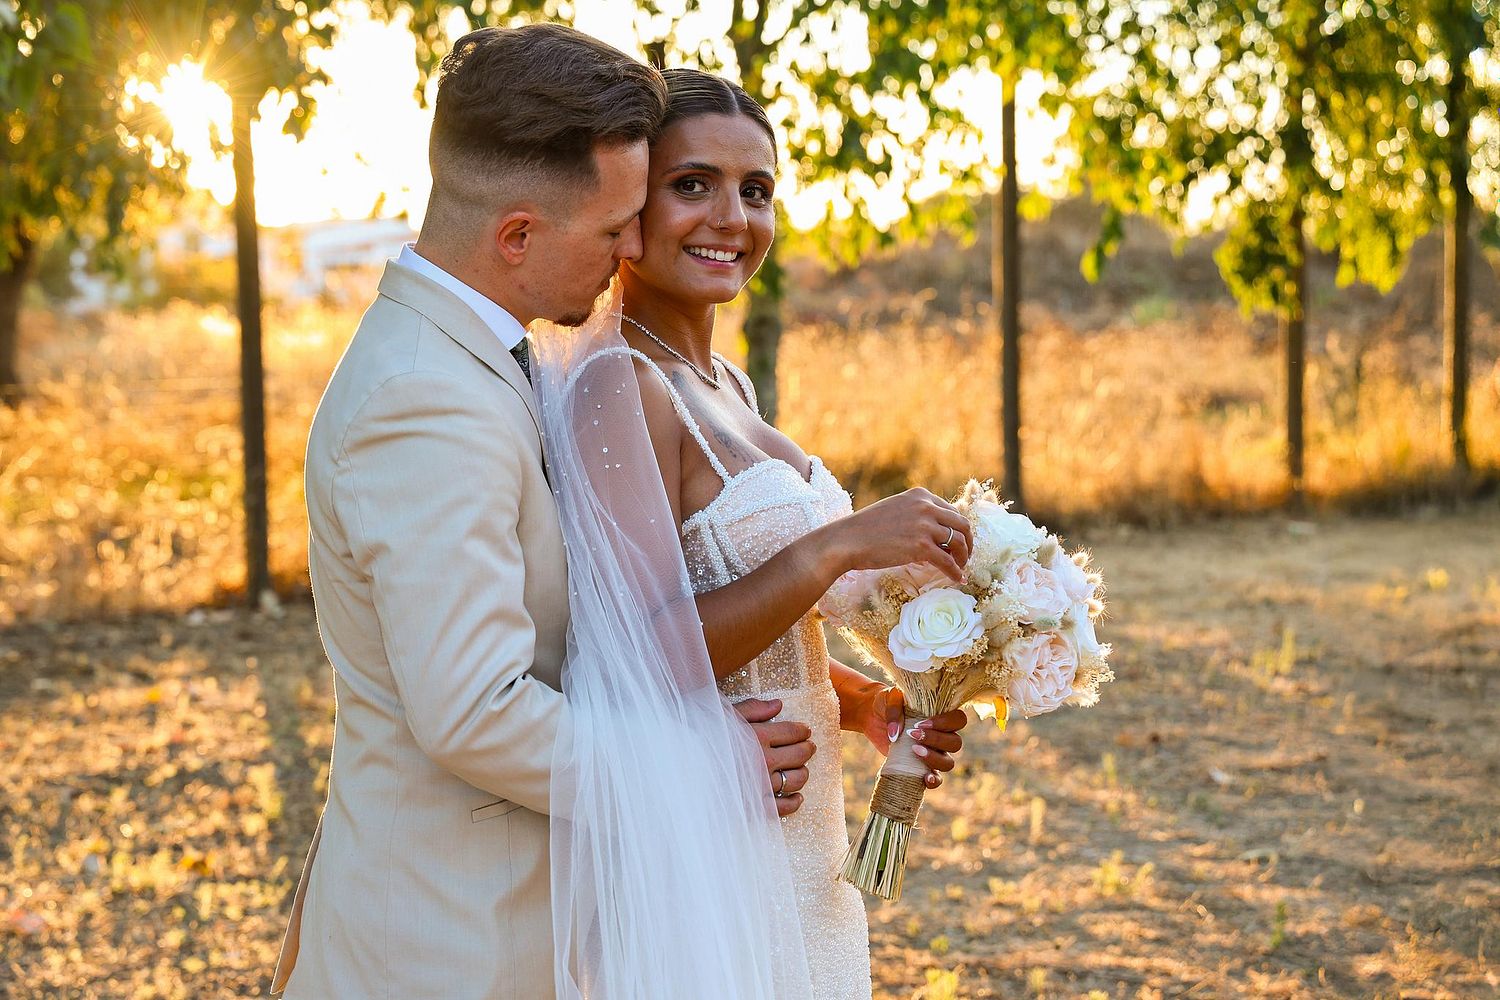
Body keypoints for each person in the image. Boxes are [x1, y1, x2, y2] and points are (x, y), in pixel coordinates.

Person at [270, 26, 829, 999]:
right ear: (519, 234)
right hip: (449, 943)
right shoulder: (424, 399)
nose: (631, 251)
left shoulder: (472, 357)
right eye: (615, 228)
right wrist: (708, 765)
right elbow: (478, 714)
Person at [536, 68, 974, 1000]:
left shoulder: (724, 383)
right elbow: (640, 645)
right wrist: (836, 545)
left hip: (797, 813)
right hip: (716, 844)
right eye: (692, 184)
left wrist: (848, 698)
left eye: (756, 190)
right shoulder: (618, 387)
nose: (730, 216)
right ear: (628, 205)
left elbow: (738, 616)